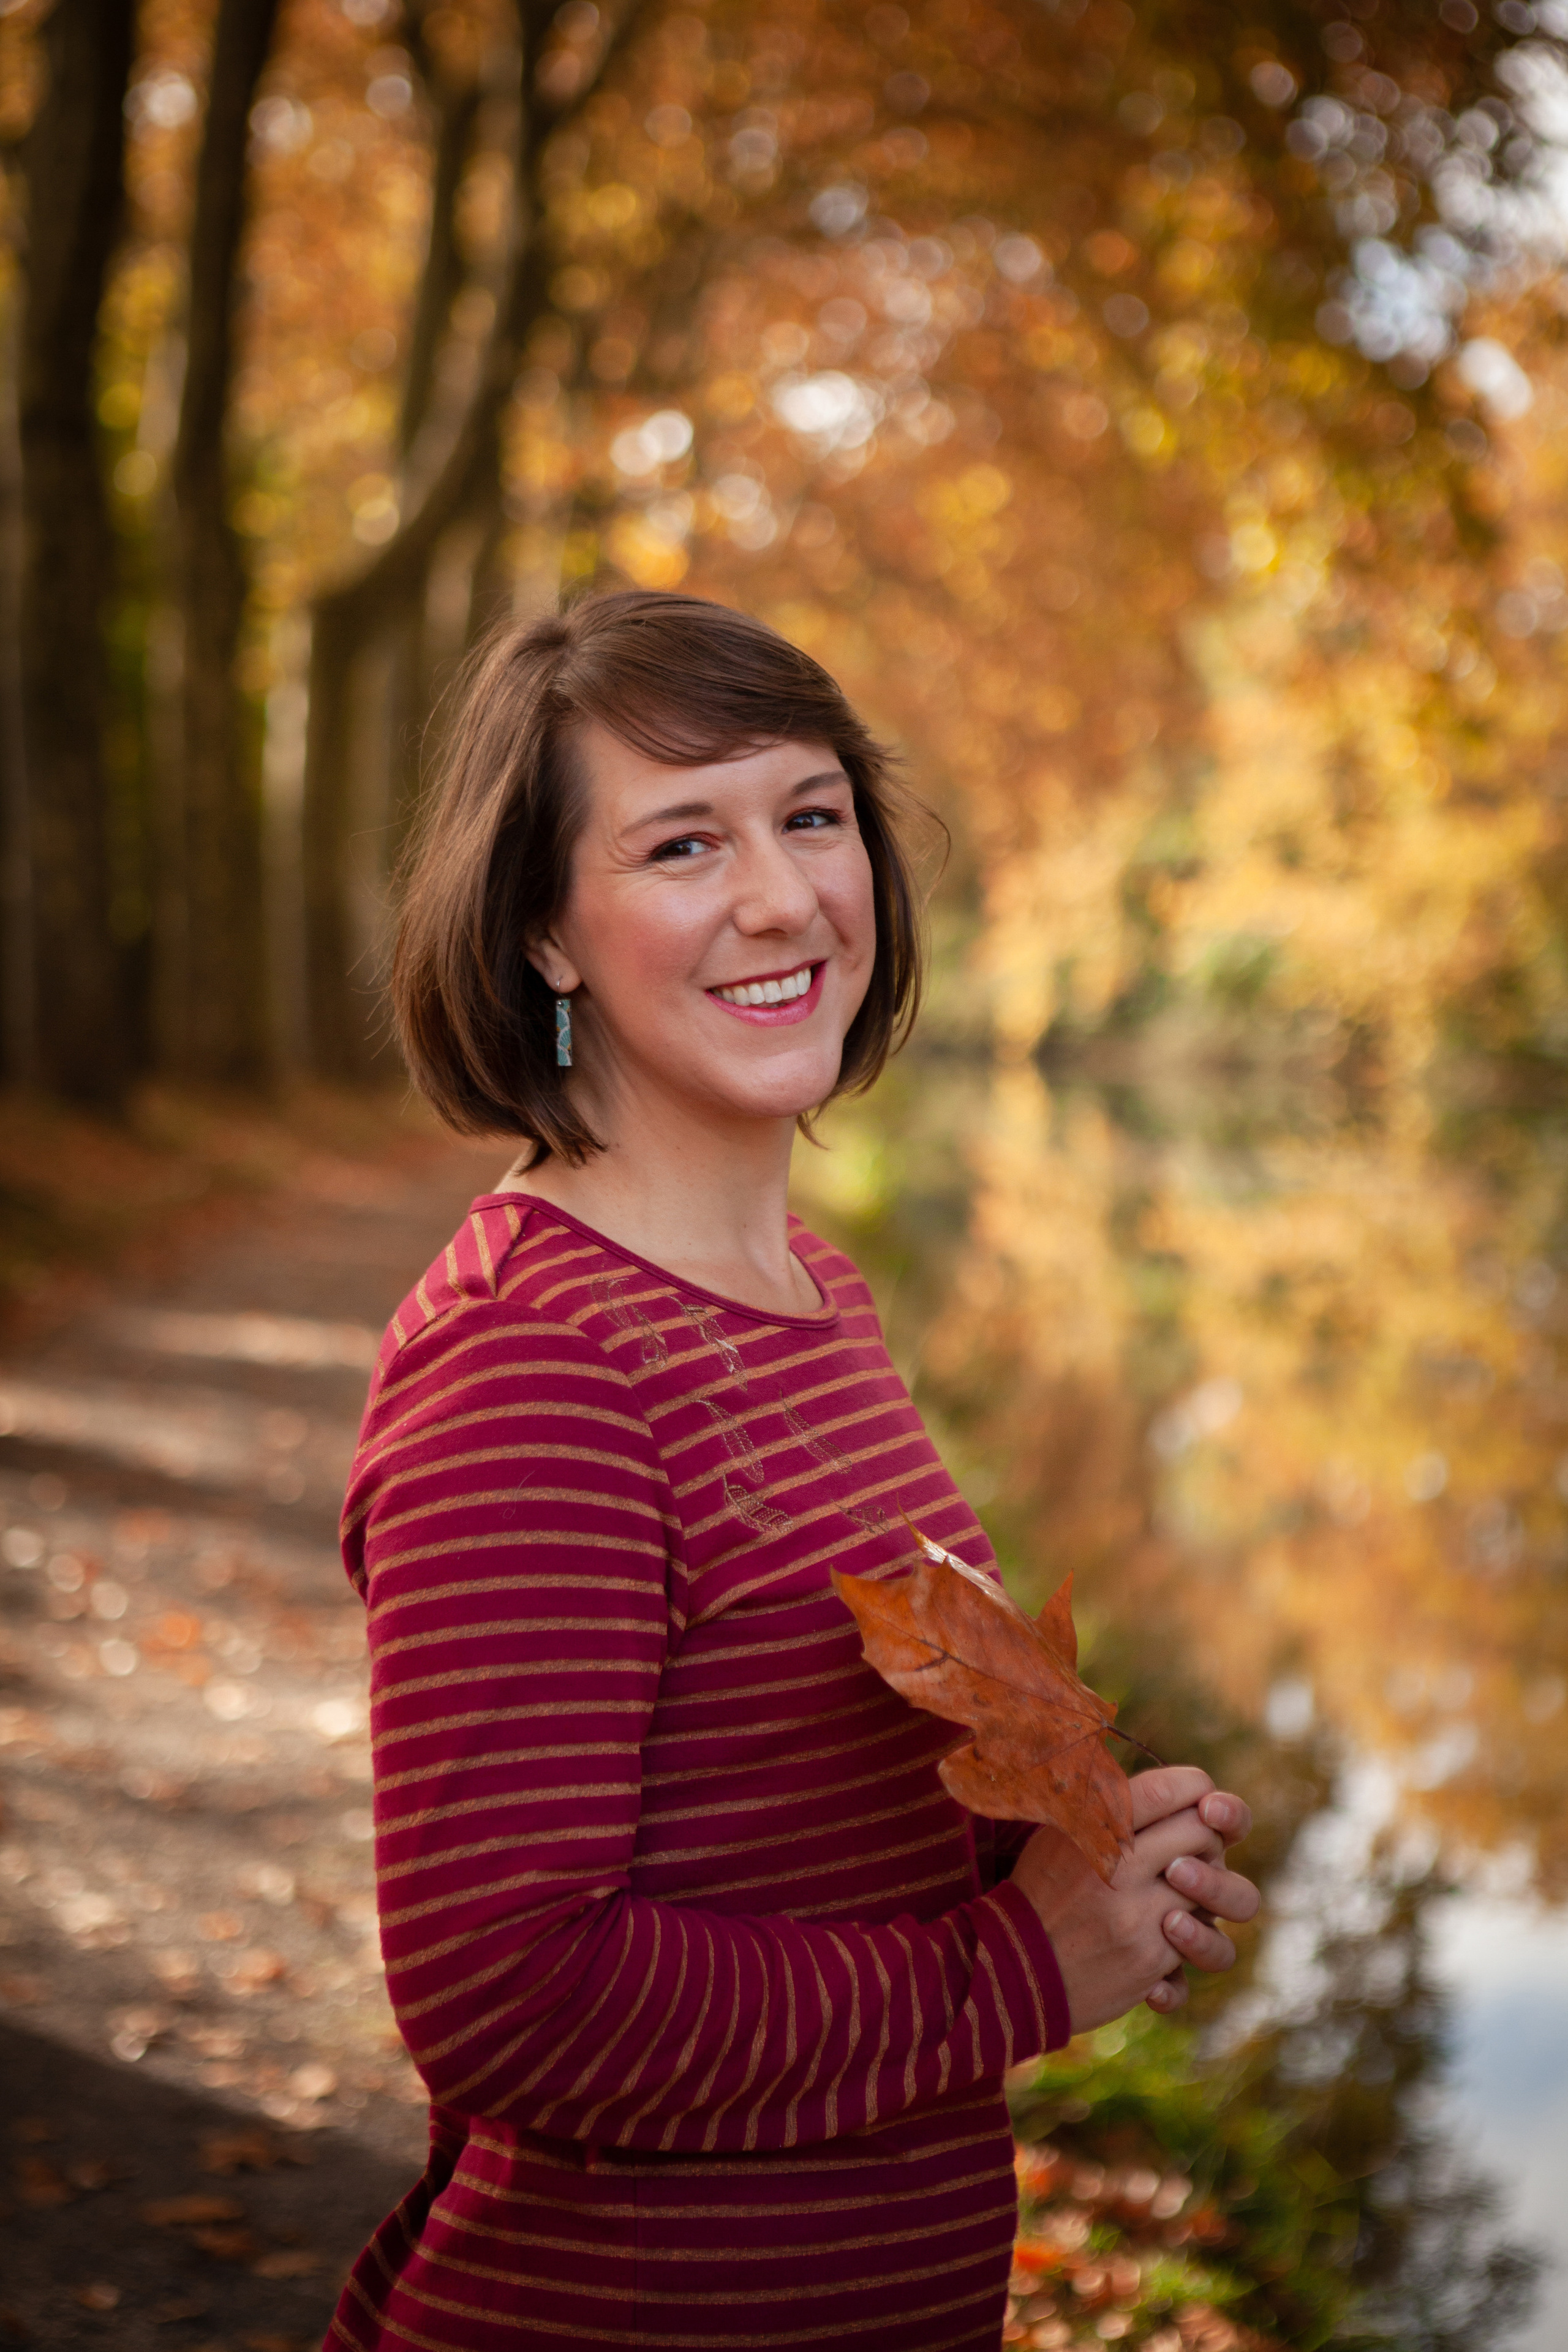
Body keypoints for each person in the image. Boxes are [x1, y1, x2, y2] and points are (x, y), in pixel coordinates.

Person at [325, 590, 1259, 2352]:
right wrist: (1021, 1971)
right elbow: (508, 2003)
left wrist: (1076, 1854)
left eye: (810, 815)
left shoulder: (810, 1288)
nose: (779, 896)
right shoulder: (537, 1364)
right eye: (682, 841)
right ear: (544, 932)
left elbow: (796, 1825)